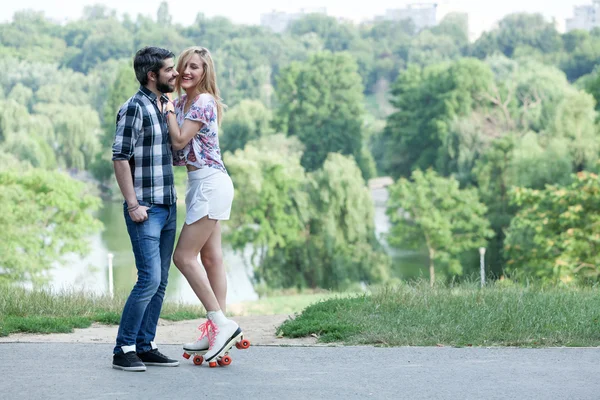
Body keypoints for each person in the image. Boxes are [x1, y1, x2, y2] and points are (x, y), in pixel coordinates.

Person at [164, 46, 245, 366]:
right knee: (211, 258)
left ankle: (223, 324)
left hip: (212, 183)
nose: (186, 72)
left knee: (183, 257)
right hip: (200, 183)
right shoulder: (183, 102)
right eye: (183, 66)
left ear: (205, 72)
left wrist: (167, 109)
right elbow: (176, 152)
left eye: (194, 67)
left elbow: (180, 140)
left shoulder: (203, 102)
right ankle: (216, 329)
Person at [111, 46, 180, 372]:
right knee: (149, 279)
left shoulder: (163, 105)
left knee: (161, 279)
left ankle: (146, 344)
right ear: (152, 75)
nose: (175, 74)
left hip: (168, 205)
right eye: (169, 70)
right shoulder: (134, 108)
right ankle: (123, 349)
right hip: (146, 209)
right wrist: (133, 204)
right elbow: (120, 157)